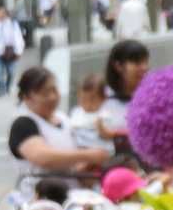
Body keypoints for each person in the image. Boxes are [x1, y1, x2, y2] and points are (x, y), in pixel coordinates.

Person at [8, 67, 109, 202]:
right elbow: (43, 157)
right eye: (45, 93)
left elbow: (75, 162)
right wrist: (90, 155)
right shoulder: (24, 123)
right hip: (41, 204)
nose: (52, 97)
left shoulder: (65, 119)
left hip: (74, 199)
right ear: (27, 97)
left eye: (54, 90)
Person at [99, 39, 150, 148]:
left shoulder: (152, 98)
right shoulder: (103, 100)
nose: (144, 68)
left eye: (145, 62)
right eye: (137, 63)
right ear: (118, 66)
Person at [68, 73, 111, 152]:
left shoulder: (104, 114)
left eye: (92, 99)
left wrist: (100, 127)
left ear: (104, 99)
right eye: (83, 99)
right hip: (78, 150)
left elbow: (108, 136)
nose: (87, 104)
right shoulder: (77, 112)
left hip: (98, 150)